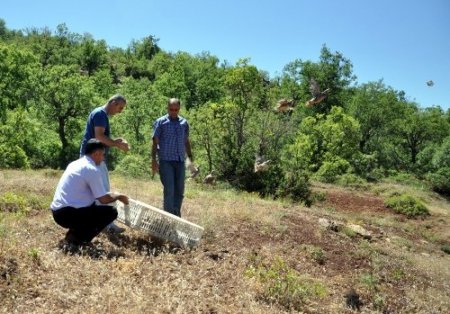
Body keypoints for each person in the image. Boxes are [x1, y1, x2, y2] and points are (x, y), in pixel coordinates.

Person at [51, 139, 129, 245]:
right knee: (111, 212)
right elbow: (103, 199)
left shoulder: (75, 163)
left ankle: (74, 233)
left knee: (93, 207)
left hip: (57, 212)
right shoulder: (92, 169)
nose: (103, 158)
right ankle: (77, 239)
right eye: (103, 155)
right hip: (68, 214)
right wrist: (119, 196)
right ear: (96, 154)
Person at [80, 94, 130, 233]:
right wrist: (116, 144)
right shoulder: (101, 114)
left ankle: (97, 223)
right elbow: (99, 136)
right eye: (120, 107)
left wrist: (115, 141)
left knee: (93, 192)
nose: (120, 111)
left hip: (92, 157)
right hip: (94, 158)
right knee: (104, 191)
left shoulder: (100, 114)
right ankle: (108, 225)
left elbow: (101, 136)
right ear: (113, 102)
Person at [151, 98, 193, 217]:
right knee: (169, 190)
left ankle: (176, 215)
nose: (174, 112)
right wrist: (154, 160)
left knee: (179, 190)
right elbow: (155, 142)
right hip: (166, 161)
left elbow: (186, 141)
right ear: (167, 108)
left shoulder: (184, 123)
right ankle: (169, 218)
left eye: (176, 109)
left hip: (180, 161)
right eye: (171, 109)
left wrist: (190, 157)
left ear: (179, 109)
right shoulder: (160, 122)